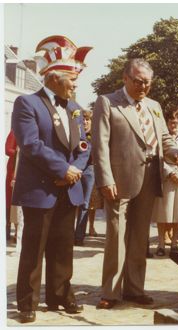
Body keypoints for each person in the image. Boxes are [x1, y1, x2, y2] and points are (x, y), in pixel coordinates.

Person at [11, 35, 92, 323]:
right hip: (41, 188)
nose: (76, 85)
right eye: (73, 80)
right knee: (34, 247)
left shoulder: (76, 109)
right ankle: (27, 303)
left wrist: (75, 171)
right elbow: (31, 145)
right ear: (55, 78)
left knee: (63, 246)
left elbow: (85, 146)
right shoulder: (26, 103)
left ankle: (60, 294)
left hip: (68, 187)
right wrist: (62, 170)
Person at [92, 58, 178, 309]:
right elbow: (100, 145)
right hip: (118, 181)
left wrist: (175, 151)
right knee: (117, 236)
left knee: (140, 238)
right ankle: (111, 292)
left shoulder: (154, 106)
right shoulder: (107, 102)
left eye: (147, 82)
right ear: (125, 78)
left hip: (149, 179)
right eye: (138, 81)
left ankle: (134, 289)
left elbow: (164, 138)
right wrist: (105, 178)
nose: (143, 86)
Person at [151, 108, 178, 256]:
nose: (173, 126)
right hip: (166, 177)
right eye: (170, 123)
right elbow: (157, 158)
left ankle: (174, 244)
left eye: (176, 123)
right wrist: (169, 171)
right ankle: (161, 244)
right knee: (163, 212)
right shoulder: (161, 140)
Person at [74, 109, 95, 246]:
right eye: (83, 119)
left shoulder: (96, 136)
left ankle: (79, 236)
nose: (85, 122)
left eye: (88, 119)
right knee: (72, 202)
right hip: (75, 169)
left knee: (85, 204)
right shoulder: (76, 134)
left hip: (90, 171)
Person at [5, 130, 18, 241]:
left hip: (28, 169)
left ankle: (18, 233)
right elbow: (8, 149)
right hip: (14, 169)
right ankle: (8, 230)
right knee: (11, 201)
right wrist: (20, 153)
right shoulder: (15, 130)